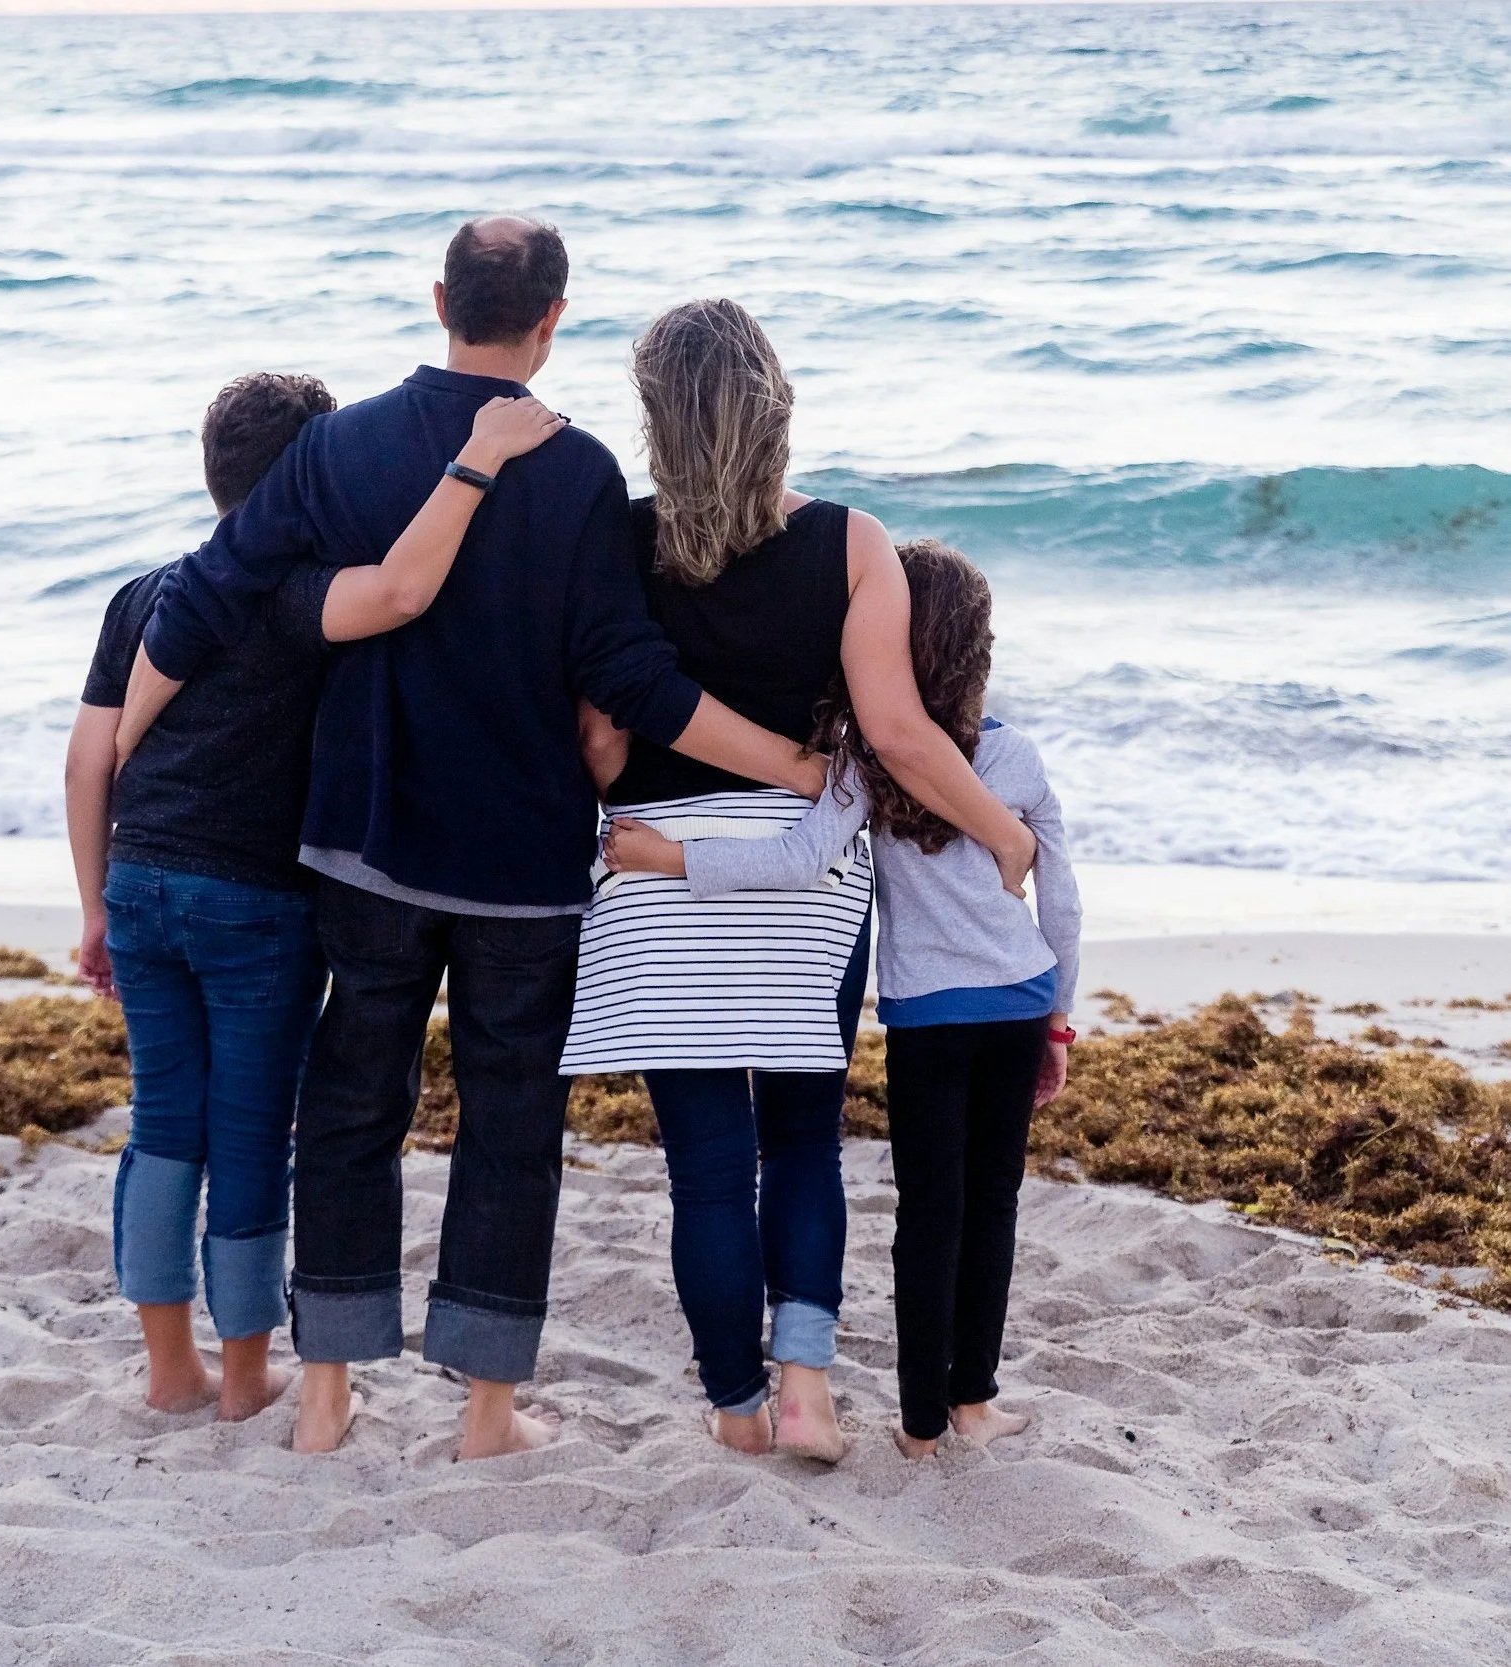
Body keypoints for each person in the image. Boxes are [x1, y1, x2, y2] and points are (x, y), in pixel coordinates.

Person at [112, 218, 829, 1461]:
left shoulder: (341, 447)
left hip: (367, 844)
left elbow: (209, 592)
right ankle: (487, 1414)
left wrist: (123, 746)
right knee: (508, 1126)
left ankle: (327, 1390)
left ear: (438, 294)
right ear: (553, 319)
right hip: (520, 865)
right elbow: (631, 677)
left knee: (349, 1109)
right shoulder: (581, 472)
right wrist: (796, 768)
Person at [558, 301, 1038, 1462]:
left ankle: (735, 1407)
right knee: (803, 1141)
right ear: (775, 405)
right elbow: (898, 733)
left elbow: (600, 751)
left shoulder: (617, 542)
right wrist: (1002, 838)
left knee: (709, 1165)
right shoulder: (849, 541)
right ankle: (808, 1383)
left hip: (656, 876)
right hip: (802, 879)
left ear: (654, 418)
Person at [66, 370, 566, 1422]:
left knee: (164, 1123)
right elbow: (397, 590)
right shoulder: (296, 597)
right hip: (253, 903)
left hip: (141, 882)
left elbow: (87, 761)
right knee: (248, 1133)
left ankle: (167, 1368)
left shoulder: (145, 592)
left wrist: (94, 908)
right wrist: (476, 465)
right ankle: (246, 1376)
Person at [604, 540, 1082, 1460]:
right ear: (979, 650)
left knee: (928, 1213)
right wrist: (1058, 1015)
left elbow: (793, 860)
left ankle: (916, 1427)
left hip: (925, 1018)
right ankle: (973, 1399)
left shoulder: (866, 763)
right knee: (994, 1206)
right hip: (1019, 1003)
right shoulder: (1014, 758)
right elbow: (1059, 899)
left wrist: (667, 855)